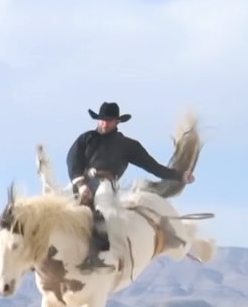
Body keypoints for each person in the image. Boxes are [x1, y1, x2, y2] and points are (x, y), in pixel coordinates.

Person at [66, 102, 193, 261]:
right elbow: (73, 161)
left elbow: (152, 166)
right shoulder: (86, 138)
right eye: (102, 120)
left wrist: (180, 176)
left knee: (105, 211)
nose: (105, 123)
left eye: (109, 120)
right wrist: (81, 185)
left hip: (106, 184)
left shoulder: (127, 145)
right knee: (56, 202)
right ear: (98, 120)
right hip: (81, 181)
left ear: (117, 122)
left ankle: (105, 252)